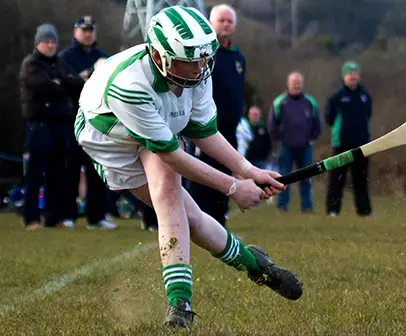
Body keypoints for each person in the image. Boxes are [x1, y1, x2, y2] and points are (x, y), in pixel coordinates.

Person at [73, 6, 302, 328]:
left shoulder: (197, 70)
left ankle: (180, 301)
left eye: (202, 60)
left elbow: (204, 131)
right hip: (110, 141)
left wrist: (249, 170)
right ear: (159, 56)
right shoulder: (131, 85)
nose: (198, 69)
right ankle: (253, 263)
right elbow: (173, 155)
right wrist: (234, 187)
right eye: (189, 61)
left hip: (157, 134)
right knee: (184, 212)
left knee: (176, 205)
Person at [19, 23, 85, 230]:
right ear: (38, 43)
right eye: (46, 42)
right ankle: (31, 218)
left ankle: (53, 216)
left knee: (57, 173)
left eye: (53, 42)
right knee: (35, 173)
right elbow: (44, 86)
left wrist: (61, 82)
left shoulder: (60, 63)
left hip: (60, 126)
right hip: (39, 126)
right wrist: (64, 83)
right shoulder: (31, 64)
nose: (50, 45)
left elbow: (78, 84)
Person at [189, 3, 246, 228]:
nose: (225, 25)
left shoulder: (238, 57)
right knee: (204, 174)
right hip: (206, 127)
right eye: (221, 20)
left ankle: (220, 225)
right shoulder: (204, 53)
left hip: (230, 128)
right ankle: (200, 223)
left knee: (226, 175)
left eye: (229, 21)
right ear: (211, 23)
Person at [58, 15, 116, 230]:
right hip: (72, 120)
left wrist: (87, 79)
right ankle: (68, 215)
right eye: (84, 30)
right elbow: (68, 84)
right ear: (75, 32)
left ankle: (97, 216)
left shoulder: (104, 57)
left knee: (97, 169)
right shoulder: (65, 57)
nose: (88, 34)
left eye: (91, 30)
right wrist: (87, 77)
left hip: (97, 120)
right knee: (70, 170)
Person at [268, 72, 321, 213]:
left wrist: (312, 138)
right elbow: (272, 124)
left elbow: (317, 123)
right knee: (284, 177)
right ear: (288, 83)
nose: (296, 85)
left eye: (298, 82)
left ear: (302, 84)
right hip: (286, 147)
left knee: (306, 177)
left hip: (305, 147)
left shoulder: (310, 102)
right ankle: (282, 206)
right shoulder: (280, 102)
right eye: (293, 82)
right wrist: (279, 139)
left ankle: (307, 207)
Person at [325, 61, 372, 217]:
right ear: (344, 76)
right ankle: (333, 210)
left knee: (361, 179)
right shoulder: (336, 97)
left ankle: (364, 211)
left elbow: (368, 115)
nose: (353, 76)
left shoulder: (365, 96)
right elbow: (329, 118)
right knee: (337, 179)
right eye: (349, 73)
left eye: (355, 73)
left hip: (362, 144)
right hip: (341, 143)